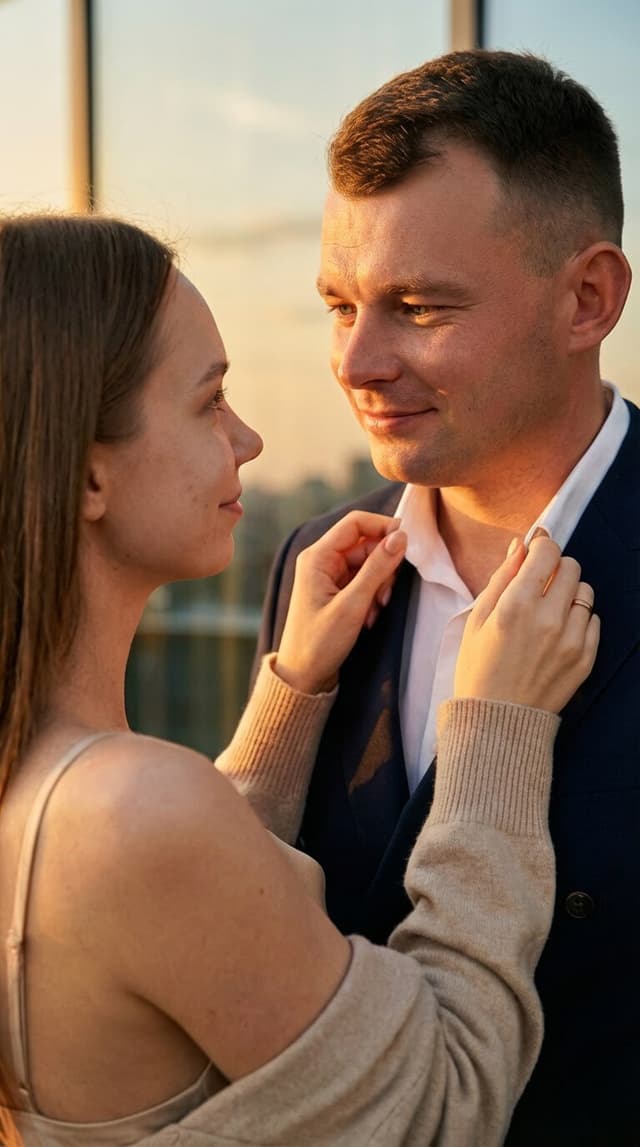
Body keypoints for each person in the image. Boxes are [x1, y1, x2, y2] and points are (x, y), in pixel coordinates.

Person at [0, 213, 598, 1147]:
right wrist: (495, 727)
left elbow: (181, 906)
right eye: (209, 401)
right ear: (87, 476)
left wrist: (291, 696)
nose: (248, 439)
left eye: (420, 306)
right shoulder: (135, 809)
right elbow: (441, 1106)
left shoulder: (45, 777)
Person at [252, 49, 640, 1146]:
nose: (356, 362)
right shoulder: (314, 564)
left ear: (588, 298)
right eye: (339, 306)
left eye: (418, 306)